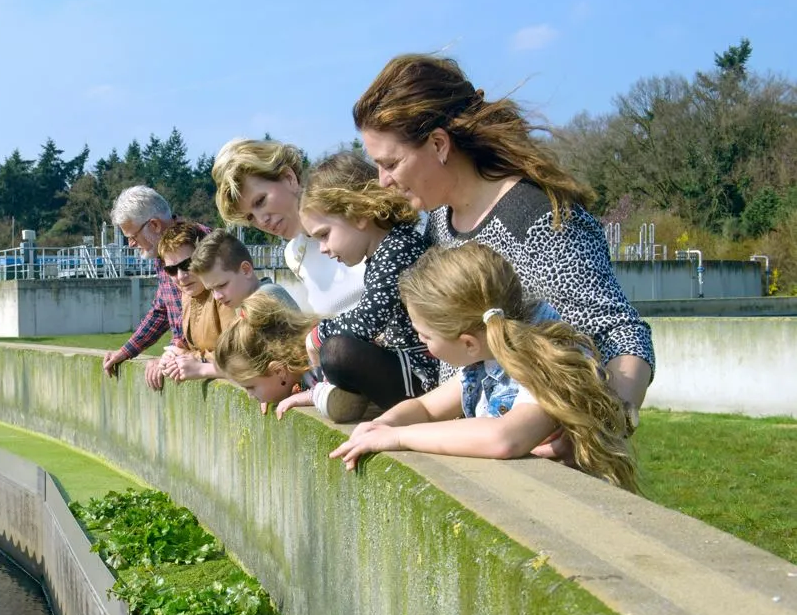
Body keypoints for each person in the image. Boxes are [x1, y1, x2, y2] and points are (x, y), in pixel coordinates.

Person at [352, 54, 655, 433]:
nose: (382, 181)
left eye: (391, 163)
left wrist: (604, 425)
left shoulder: (538, 216)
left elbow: (620, 334)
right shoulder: (439, 226)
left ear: (438, 144)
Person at [329, 243, 639, 493]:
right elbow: (425, 407)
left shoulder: (541, 360)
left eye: (426, 336)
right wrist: (382, 425)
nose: (424, 345)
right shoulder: (486, 358)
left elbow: (504, 437)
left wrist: (399, 438)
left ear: (468, 343)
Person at [270, 150, 438, 423]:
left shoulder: (399, 248)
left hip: (423, 373)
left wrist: (316, 335)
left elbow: (367, 320)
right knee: (336, 350)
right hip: (405, 363)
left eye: (324, 235)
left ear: (358, 214)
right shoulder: (384, 250)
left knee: (336, 351)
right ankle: (339, 394)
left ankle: (346, 397)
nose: (322, 249)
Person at [212, 138, 364, 315]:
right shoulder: (294, 254)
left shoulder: (356, 215)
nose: (262, 221)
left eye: (260, 201)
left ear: (289, 178)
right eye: (250, 217)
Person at [103, 186, 184, 390]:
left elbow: (206, 315)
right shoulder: (163, 251)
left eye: (132, 236)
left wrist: (171, 354)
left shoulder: (199, 249)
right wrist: (126, 351)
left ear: (155, 225)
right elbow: (163, 310)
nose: (130, 244)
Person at [155, 220, 238, 382]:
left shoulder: (223, 292)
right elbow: (194, 347)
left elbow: (236, 354)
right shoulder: (187, 294)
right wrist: (172, 355)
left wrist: (190, 357)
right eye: (171, 270)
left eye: (187, 264)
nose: (181, 277)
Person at [190, 230, 298, 311]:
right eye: (211, 290)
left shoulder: (266, 299)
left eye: (222, 285)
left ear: (246, 270)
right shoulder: (245, 303)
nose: (217, 297)